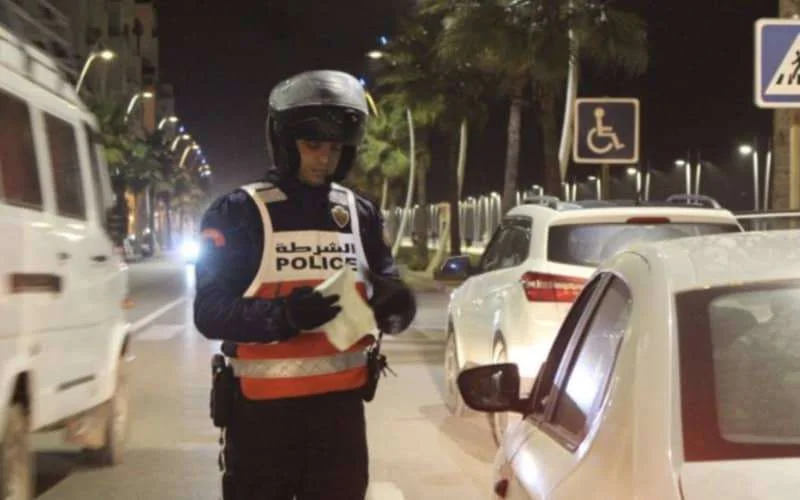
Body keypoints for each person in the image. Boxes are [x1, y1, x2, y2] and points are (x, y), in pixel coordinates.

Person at [193, 69, 417, 500]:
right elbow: (209, 312)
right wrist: (285, 316)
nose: (324, 159)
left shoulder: (359, 214)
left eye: (335, 148)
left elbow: (386, 288)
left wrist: (396, 304)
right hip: (261, 423)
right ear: (284, 142)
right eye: (312, 145)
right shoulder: (239, 213)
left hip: (339, 423)